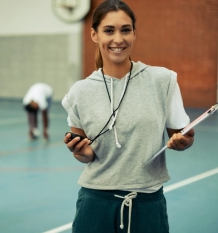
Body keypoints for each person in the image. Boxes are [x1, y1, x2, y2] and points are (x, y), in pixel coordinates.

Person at [62, 1, 195, 232]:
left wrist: (184, 141)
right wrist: (81, 153)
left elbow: (181, 136)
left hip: (147, 205)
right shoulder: (79, 92)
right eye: (108, 30)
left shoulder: (162, 81)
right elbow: (85, 154)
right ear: (94, 35)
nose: (118, 39)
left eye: (125, 30)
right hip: (95, 206)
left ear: (134, 33)